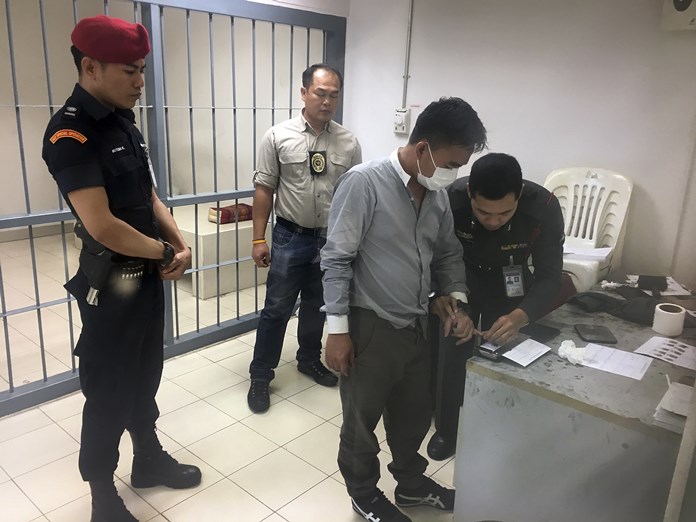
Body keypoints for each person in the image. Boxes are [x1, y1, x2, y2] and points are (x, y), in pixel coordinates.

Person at [41, 15, 200, 522]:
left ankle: (147, 458)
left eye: (142, 70)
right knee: (109, 387)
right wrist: (163, 253)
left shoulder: (124, 122)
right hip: (112, 281)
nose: (140, 81)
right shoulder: (70, 132)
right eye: (130, 71)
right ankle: (102, 494)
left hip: (146, 275)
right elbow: (103, 224)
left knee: (145, 373)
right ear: (90, 66)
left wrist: (179, 243)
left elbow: (148, 196)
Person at [321, 97, 487, 522]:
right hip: (370, 326)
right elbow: (337, 259)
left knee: (413, 414)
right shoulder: (364, 184)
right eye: (451, 163)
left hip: (417, 324)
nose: (454, 174)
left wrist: (454, 300)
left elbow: (447, 253)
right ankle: (363, 494)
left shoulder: (437, 194)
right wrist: (337, 330)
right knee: (361, 422)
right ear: (423, 148)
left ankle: (411, 485)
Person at [427, 152, 565, 461]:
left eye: (504, 213)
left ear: (519, 195)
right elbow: (431, 257)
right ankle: (447, 430)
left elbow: (549, 276)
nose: (492, 221)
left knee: (503, 355)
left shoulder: (543, 207)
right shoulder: (449, 199)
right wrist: (446, 302)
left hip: (510, 282)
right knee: (454, 352)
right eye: (482, 212)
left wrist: (521, 316)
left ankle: (497, 429)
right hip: (461, 279)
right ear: (469, 193)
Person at [247, 63, 362, 413]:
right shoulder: (277, 136)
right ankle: (260, 375)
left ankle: (309, 359)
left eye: (334, 95)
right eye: (320, 93)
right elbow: (264, 190)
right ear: (303, 93)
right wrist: (258, 239)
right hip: (290, 236)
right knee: (277, 308)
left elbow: (355, 194)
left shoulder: (349, 142)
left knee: (317, 306)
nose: (327, 102)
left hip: (331, 240)